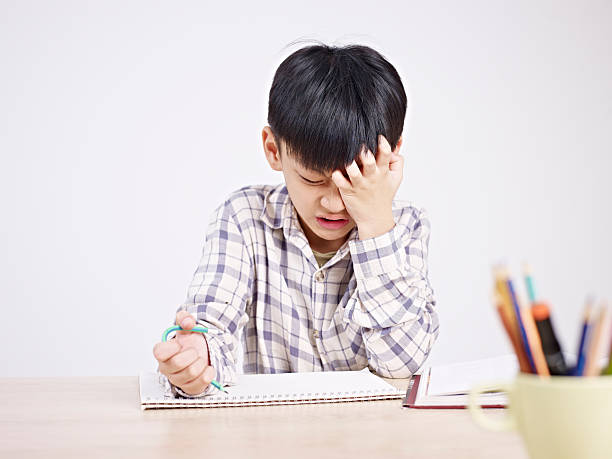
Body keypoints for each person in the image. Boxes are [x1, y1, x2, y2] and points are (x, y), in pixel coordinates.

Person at [153, 43, 439, 396]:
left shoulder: (404, 226)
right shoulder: (244, 218)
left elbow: (402, 363)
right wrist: (197, 357)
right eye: (312, 179)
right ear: (274, 150)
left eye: (353, 184)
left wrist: (376, 224)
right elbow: (212, 323)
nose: (334, 203)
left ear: (392, 155)